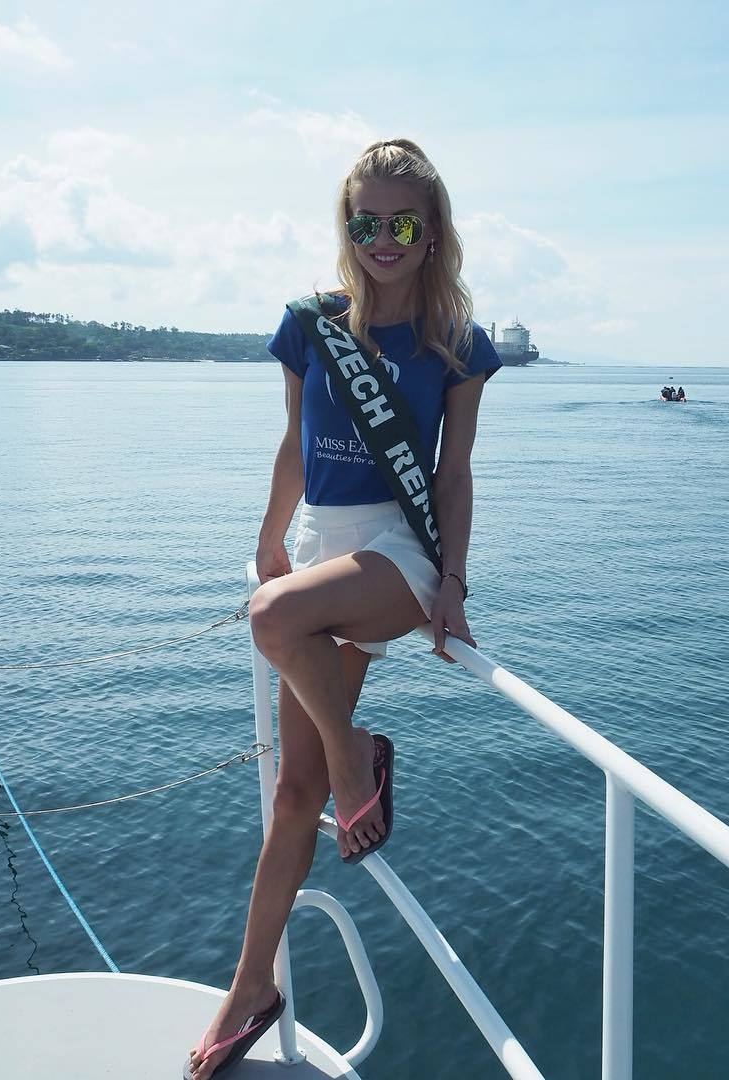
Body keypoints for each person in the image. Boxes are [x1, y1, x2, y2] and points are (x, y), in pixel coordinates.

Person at [183, 138, 501, 1080]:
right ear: (347, 225)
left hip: (398, 553)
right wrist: (272, 536)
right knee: (294, 793)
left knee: (270, 619)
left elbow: (453, 473)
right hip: (325, 544)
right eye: (366, 221)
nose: (383, 238)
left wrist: (453, 584)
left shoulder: (456, 342)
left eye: (403, 221)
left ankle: (358, 753)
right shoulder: (309, 324)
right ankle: (251, 989)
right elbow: (295, 443)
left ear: (433, 229)